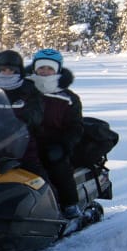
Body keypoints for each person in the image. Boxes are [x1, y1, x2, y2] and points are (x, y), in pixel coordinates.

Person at [28, 48, 85, 218]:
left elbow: (76, 126)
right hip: (21, 141)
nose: (45, 71)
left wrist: (63, 145)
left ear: (57, 70)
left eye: (50, 68)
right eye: (41, 67)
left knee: (58, 166)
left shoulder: (68, 98)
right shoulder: (24, 91)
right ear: (34, 68)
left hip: (53, 144)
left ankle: (70, 206)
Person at [0, 49, 46, 177]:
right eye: (2, 70)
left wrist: (25, 119)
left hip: (22, 144)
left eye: (11, 70)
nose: (6, 73)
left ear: (19, 71)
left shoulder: (29, 89)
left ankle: (52, 196)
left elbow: (37, 112)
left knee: (37, 178)